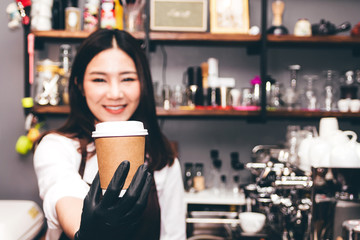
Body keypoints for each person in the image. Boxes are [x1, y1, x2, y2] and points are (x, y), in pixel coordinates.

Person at [33, 29, 186, 240]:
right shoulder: (56, 147)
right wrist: (87, 231)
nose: (115, 94)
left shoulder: (162, 159)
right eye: (99, 80)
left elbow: (173, 235)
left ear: (143, 84)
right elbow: (62, 193)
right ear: (79, 85)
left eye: (128, 79)